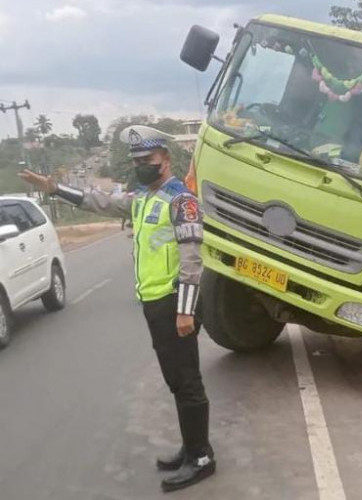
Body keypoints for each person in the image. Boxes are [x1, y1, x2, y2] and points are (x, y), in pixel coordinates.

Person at [18, 125, 215, 493]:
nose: (142, 166)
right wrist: (54, 188)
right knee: (176, 380)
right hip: (155, 303)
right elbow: (101, 202)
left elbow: (192, 261)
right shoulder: (141, 198)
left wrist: (185, 311)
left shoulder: (181, 201)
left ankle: (201, 457)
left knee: (187, 381)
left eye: (148, 160)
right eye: (137, 161)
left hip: (175, 304)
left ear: (166, 160)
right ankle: (192, 446)